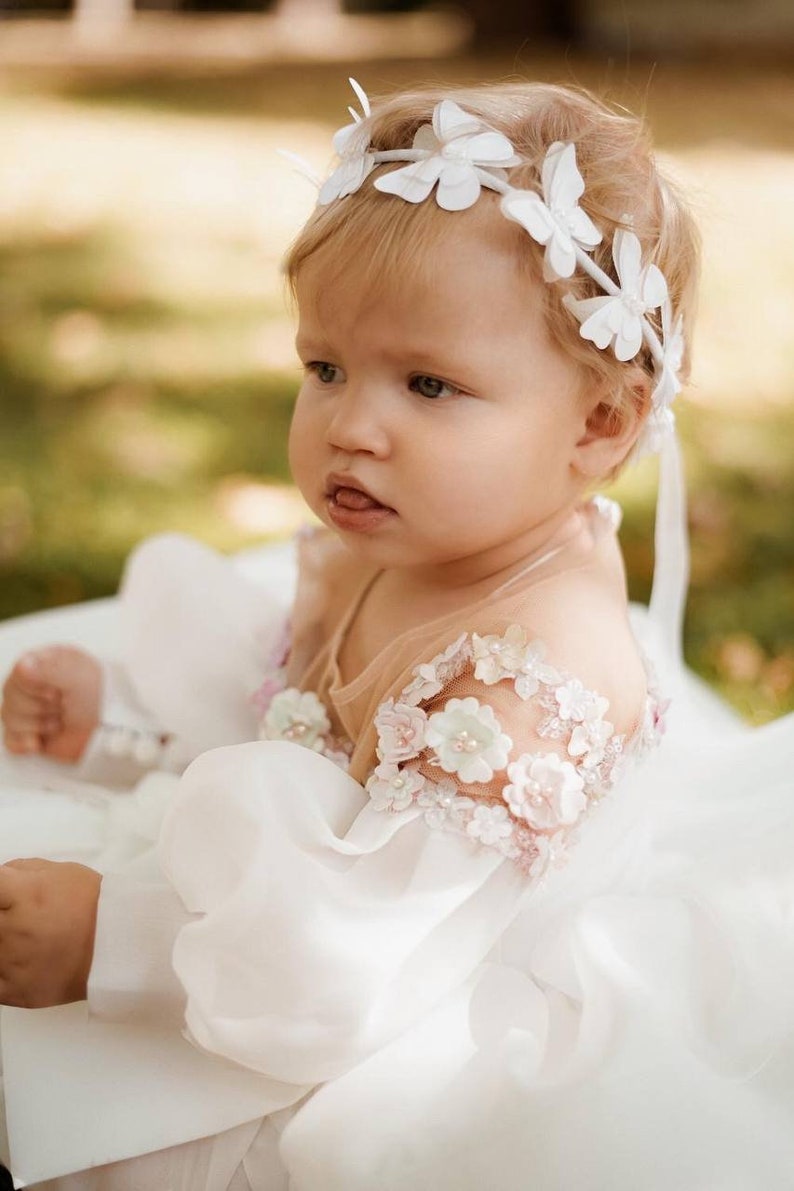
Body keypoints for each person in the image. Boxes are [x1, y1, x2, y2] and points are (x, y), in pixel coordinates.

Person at [0, 79, 792, 1190]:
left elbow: (354, 960)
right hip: (305, 922)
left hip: (399, 993)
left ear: (599, 423)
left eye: (429, 384)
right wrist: (119, 728)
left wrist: (112, 948)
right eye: (322, 368)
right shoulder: (414, 536)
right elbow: (289, 726)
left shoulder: (519, 685)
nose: (351, 427)